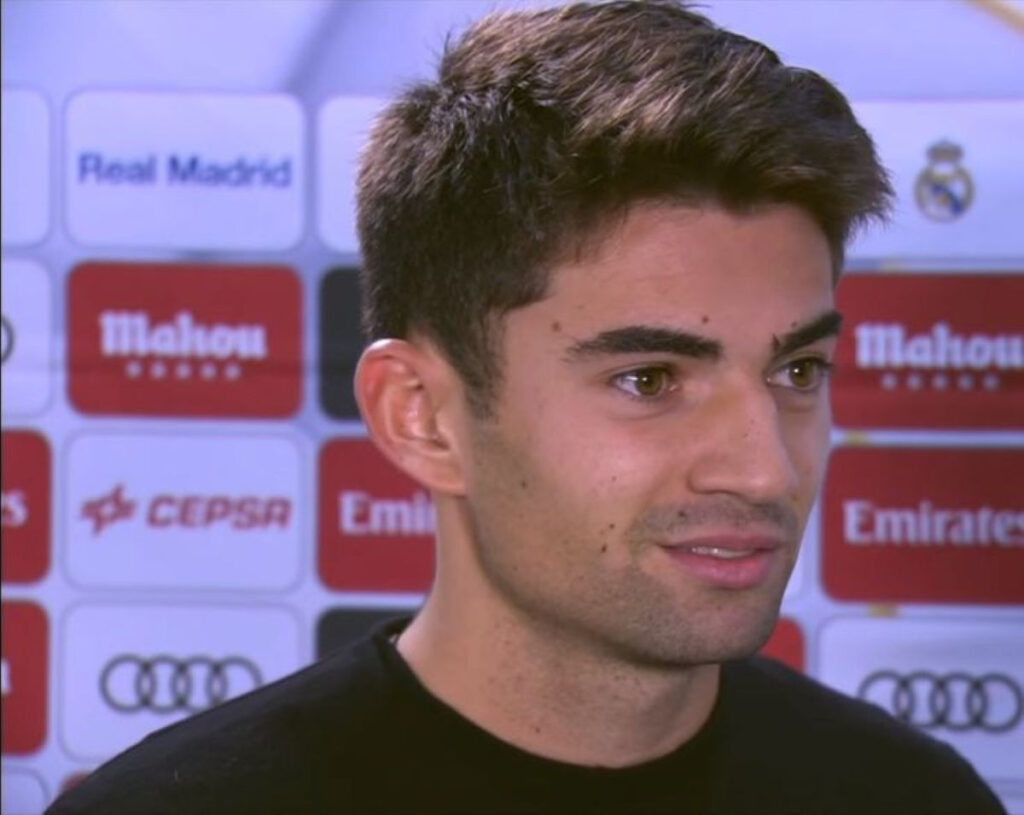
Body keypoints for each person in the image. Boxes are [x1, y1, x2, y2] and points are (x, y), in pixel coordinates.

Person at [50, 2, 1005, 813]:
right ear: (421, 415)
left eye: (797, 370)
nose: (765, 468)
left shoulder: (912, 799)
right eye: (649, 380)